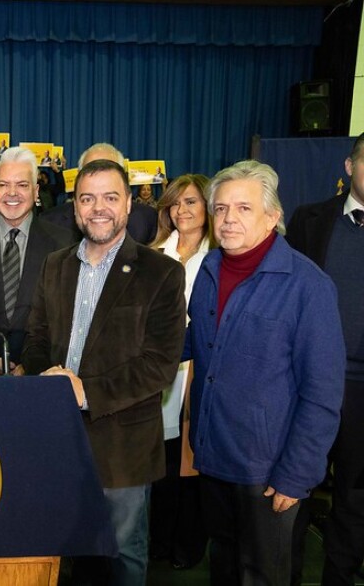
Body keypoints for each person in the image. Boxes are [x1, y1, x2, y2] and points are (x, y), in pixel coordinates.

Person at [21, 159, 187, 586]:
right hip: (57, 436)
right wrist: (51, 378)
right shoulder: (55, 265)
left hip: (123, 445)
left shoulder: (162, 272)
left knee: (123, 556)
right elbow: (36, 339)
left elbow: (159, 365)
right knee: (66, 554)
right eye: (88, 198)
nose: (99, 208)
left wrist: (84, 391)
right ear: (75, 207)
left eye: (110, 197)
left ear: (129, 205)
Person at [185, 160, 344, 585]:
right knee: (223, 568)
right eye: (220, 209)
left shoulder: (309, 287)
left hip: (270, 473)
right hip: (214, 458)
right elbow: (196, 344)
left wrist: (297, 474)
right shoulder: (209, 270)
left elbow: (323, 393)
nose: (228, 219)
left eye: (243, 208)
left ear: (273, 217)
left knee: (265, 576)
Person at [286, 133, 364, 586]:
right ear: (348, 166)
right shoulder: (309, 220)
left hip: (363, 392)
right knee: (293, 492)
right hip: (307, 384)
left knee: (354, 501)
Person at [147, 174, 214, 569]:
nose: (181, 210)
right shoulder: (153, 252)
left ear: (207, 206)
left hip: (197, 372)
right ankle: (158, 540)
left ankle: (187, 545)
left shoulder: (219, 257)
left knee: (191, 465)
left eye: (190, 202)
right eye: (175, 203)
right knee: (161, 463)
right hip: (157, 370)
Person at [0, 147, 76, 374]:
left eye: (22, 185)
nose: (11, 193)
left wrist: (32, 364)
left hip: (41, 372)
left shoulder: (64, 243)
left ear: (35, 192)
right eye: (3, 185)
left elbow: (67, 316)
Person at [40, 143, 158, 245]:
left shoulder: (147, 220)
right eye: (92, 171)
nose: (99, 208)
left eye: (108, 171)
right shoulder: (49, 222)